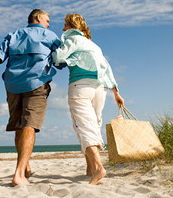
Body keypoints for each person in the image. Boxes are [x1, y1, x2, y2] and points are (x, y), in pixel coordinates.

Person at [0, 9, 60, 186]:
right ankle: (19, 174)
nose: (49, 24)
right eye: (48, 20)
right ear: (39, 18)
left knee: (19, 126)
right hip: (37, 82)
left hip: (13, 85)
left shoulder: (14, 34)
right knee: (29, 125)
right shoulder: (49, 35)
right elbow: (61, 58)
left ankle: (24, 166)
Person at [52, 13, 124, 185]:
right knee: (94, 125)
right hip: (100, 88)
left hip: (80, 86)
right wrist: (116, 92)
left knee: (84, 126)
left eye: (64, 25)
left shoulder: (72, 38)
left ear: (71, 26)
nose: (63, 29)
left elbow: (58, 58)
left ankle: (98, 168)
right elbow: (107, 68)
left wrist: (61, 54)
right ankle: (90, 168)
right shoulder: (94, 45)